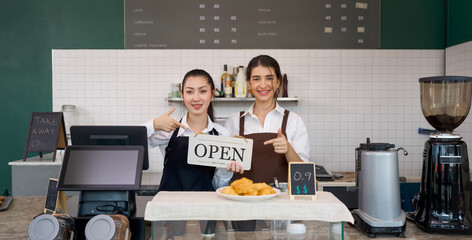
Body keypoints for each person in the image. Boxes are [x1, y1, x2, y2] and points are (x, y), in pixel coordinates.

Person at [144, 69, 234, 237]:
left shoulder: (222, 134)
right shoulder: (168, 130)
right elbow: (130, 141)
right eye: (190, 91)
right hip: (170, 213)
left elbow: (218, 186)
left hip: (207, 214)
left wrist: (227, 171)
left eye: (203, 91)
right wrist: (154, 124)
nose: (196, 98)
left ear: (212, 94)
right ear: (182, 94)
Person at [225, 55, 310, 183]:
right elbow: (221, 175)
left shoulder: (294, 121)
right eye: (256, 79)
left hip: (282, 200)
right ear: (249, 83)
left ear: (278, 82)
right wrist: (229, 167)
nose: (263, 85)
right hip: (244, 199)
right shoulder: (234, 121)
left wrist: (288, 149)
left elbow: (304, 175)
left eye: (269, 78)